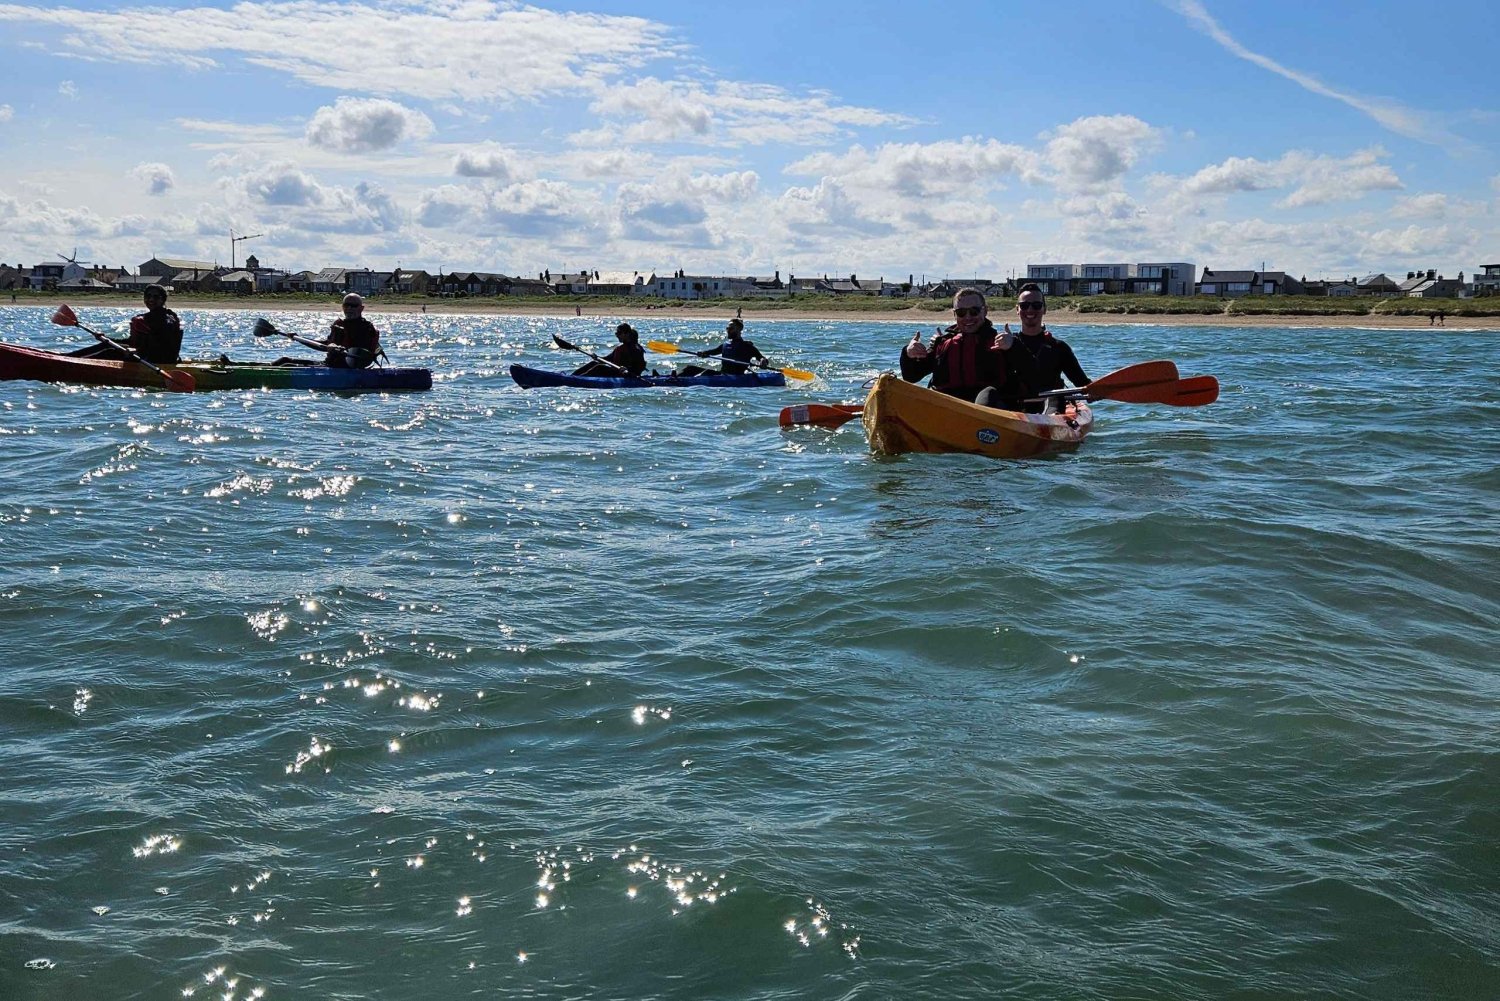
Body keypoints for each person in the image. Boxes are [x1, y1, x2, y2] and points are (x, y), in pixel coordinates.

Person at [900, 287, 1027, 408]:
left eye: (974, 311)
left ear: (985, 311)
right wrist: (908, 353)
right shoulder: (943, 344)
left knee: (988, 394)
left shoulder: (1002, 343)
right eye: (961, 313)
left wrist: (1014, 347)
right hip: (948, 410)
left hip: (990, 413)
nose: (968, 317)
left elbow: (1032, 377)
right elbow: (911, 377)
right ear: (954, 315)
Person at [1001, 283, 1089, 413]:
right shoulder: (1006, 343)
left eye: (1036, 305)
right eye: (1024, 306)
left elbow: (1083, 383)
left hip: (1051, 406)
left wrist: (1096, 392)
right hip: (1016, 407)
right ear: (1017, 309)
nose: (1030, 310)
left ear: (1044, 309)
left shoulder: (1059, 348)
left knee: (1054, 397)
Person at [69, 284, 183, 363]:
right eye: (148, 296)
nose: (151, 300)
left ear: (163, 300)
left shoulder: (165, 320)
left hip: (157, 359)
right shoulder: (150, 317)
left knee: (110, 352)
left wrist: (137, 351)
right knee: (106, 344)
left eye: (155, 297)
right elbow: (133, 342)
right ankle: (68, 357)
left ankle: (72, 362)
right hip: (145, 355)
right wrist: (105, 338)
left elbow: (163, 345)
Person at [675, 317, 770, 376]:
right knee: (689, 368)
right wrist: (703, 353)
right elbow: (712, 352)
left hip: (734, 377)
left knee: (707, 373)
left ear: (739, 329)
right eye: (727, 328)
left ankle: (683, 382)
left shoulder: (747, 346)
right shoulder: (725, 345)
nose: (728, 330)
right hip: (722, 374)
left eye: (731, 328)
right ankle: (672, 378)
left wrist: (763, 361)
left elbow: (762, 358)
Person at [325, 293, 381, 368]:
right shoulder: (338, 324)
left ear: (361, 308)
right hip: (333, 364)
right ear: (343, 307)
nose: (349, 308)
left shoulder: (366, 328)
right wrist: (330, 345)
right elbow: (329, 342)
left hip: (353, 367)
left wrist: (338, 348)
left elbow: (361, 351)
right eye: (346, 305)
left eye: (354, 306)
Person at [573, 322, 646, 377]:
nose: (617, 335)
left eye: (619, 333)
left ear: (627, 334)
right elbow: (608, 359)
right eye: (616, 333)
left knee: (599, 368)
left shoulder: (635, 349)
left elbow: (639, 366)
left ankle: (578, 379)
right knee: (594, 363)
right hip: (617, 371)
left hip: (628, 374)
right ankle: (573, 376)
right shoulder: (620, 348)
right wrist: (597, 358)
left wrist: (627, 368)